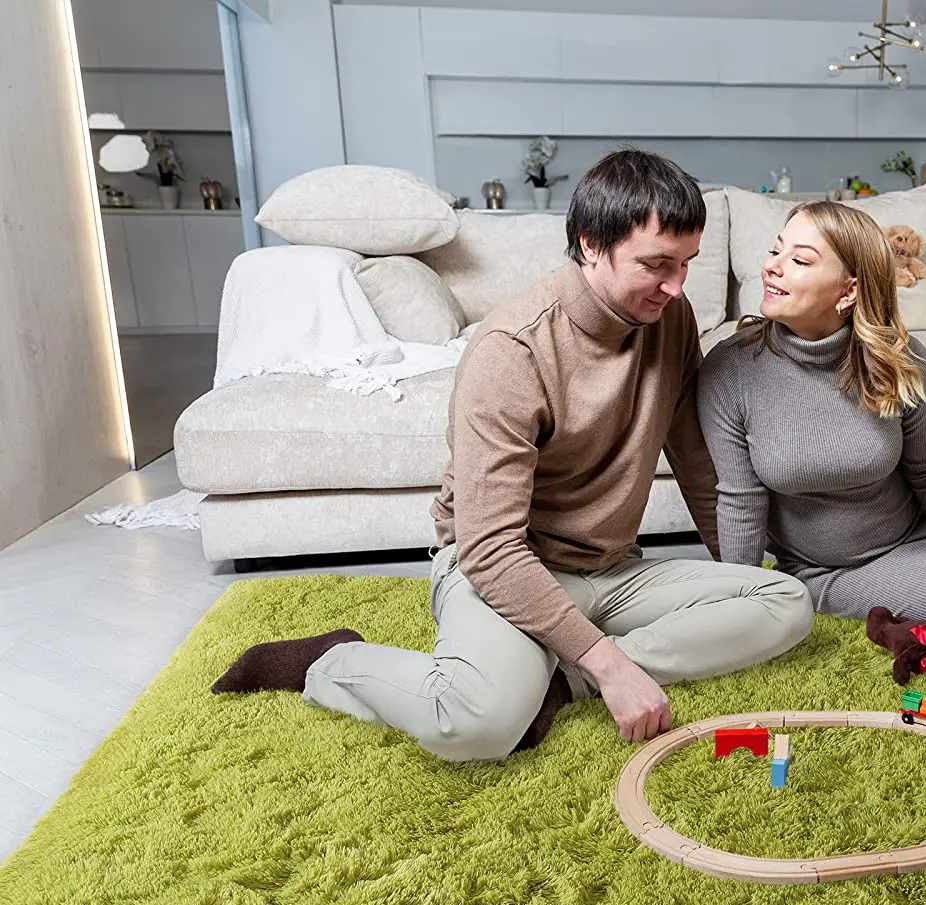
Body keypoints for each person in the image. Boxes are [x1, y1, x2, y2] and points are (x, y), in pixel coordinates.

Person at [211, 150, 814, 759]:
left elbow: (694, 459)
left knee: (784, 602)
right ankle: (331, 660)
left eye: (687, 264)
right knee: (479, 724)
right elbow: (490, 547)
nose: (676, 286)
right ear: (591, 244)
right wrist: (609, 664)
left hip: (614, 572)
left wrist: (734, 577)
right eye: (656, 265)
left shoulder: (671, 318)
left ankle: (560, 680)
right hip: (504, 568)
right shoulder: (512, 350)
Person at [696, 200, 926, 632]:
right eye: (775, 251)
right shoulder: (730, 369)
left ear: (849, 291)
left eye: (799, 260)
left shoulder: (902, 360)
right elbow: (741, 500)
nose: (771, 267)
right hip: (819, 570)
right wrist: (741, 607)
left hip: (917, 537)